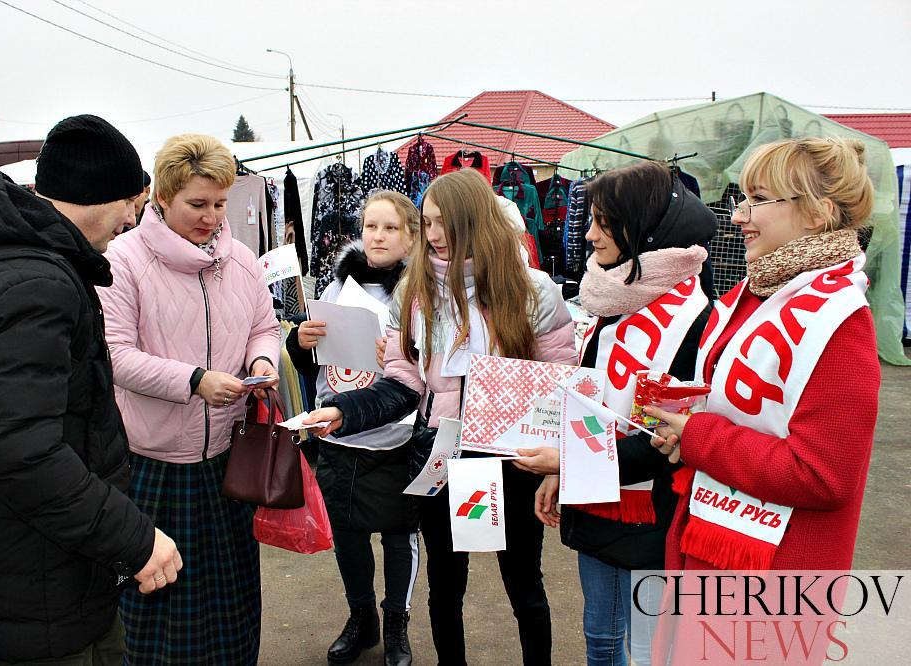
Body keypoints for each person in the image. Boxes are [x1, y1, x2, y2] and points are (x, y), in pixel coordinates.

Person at [0, 114, 182, 665]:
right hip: (38, 577)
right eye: (131, 203)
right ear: (100, 195)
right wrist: (136, 539)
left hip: (41, 564)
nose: (133, 219)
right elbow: (21, 452)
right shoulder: (36, 284)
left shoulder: (6, 259)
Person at [306, 168, 577, 666]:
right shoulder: (417, 291)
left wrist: (556, 463)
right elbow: (404, 381)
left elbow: (560, 386)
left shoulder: (535, 291)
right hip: (440, 458)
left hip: (512, 463)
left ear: (475, 222)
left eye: (442, 224)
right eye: (427, 222)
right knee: (444, 589)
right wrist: (344, 411)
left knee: (525, 586)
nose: (432, 235)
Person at [512, 161, 717, 666]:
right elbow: (586, 396)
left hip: (657, 510)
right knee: (599, 637)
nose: (589, 235)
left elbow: (668, 438)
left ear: (644, 227)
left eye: (605, 222)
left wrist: (568, 462)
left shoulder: (699, 319)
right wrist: (563, 471)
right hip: (596, 499)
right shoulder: (610, 305)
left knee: (651, 649)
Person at [647, 137, 880, 573]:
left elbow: (823, 475)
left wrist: (699, 436)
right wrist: (686, 430)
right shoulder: (755, 294)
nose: (738, 215)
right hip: (714, 537)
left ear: (817, 212)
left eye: (757, 200)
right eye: (741, 198)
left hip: (773, 573)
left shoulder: (839, 318)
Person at [98, 133, 280, 665]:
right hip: (151, 462)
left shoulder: (242, 259)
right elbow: (113, 355)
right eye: (196, 204)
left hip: (227, 458)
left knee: (232, 600)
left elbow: (264, 327)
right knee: (158, 601)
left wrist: (263, 361)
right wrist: (194, 379)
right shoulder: (124, 260)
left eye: (220, 203)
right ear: (162, 197)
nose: (211, 217)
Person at [286, 190, 420, 666]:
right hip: (338, 433)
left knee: (399, 536)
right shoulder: (335, 287)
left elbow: (436, 367)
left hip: (395, 436)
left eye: (389, 228)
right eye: (370, 227)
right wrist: (300, 341)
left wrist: (406, 356)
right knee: (347, 532)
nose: (378, 236)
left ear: (411, 235)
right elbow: (313, 359)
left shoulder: (420, 291)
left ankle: (396, 624)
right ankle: (361, 618)